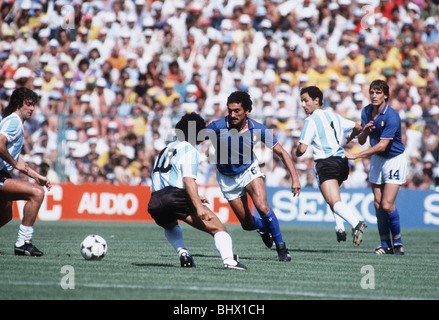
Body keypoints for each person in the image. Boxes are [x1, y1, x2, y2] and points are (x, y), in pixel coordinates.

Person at [205, 91, 301, 262]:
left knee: (262, 206)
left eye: (237, 111)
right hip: (227, 178)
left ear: (247, 110)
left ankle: (281, 248)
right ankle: (264, 227)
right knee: (247, 224)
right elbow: (192, 138)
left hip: (249, 170)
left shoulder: (258, 129)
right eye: (230, 111)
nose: (232, 115)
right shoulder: (218, 126)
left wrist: (295, 178)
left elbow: (282, 153)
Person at [148, 112, 246, 270]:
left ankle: (183, 253)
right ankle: (229, 261)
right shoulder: (189, 149)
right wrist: (198, 207)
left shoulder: (165, 149)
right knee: (218, 228)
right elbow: (188, 180)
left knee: (170, 226)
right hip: (175, 197)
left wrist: (195, 196)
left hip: (155, 200)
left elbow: (164, 179)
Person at [295, 86, 367, 246]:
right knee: (334, 198)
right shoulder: (334, 116)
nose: (303, 105)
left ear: (316, 100)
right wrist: (350, 138)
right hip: (342, 162)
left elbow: (302, 149)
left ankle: (356, 223)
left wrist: (297, 152)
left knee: (333, 200)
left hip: (326, 163)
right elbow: (358, 126)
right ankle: (340, 227)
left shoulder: (311, 120)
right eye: (301, 101)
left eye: (306, 100)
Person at [345, 80, 406, 255]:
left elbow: (382, 146)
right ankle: (385, 245)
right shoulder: (366, 111)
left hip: (394, 159)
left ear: (385, 95)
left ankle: (398, 243)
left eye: (378, 92)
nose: (374, 95)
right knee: (378, 204)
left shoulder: (391, 116)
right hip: (377, 160)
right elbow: (363, 140)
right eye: (372, 92)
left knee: (387, 205)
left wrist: (356, 156)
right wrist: (365, 131)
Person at [0, 87, 52, 256]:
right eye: (28, 104)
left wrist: (38, 177)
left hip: (3, 175)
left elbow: (17, 159)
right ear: (18, 103)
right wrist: (14, 163)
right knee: (37, 193)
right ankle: (23, 243)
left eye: (33, 105)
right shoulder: (14, 121)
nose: (32, 108)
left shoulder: (16, 123)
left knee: (6, 215)